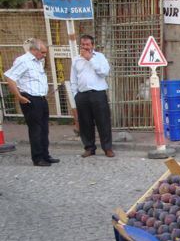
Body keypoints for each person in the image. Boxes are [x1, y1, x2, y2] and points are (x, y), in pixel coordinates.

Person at [4, 38, 59, 167]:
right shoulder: (23, 61)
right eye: (43, 52)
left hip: (41, 98)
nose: (44, 55)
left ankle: (45, 154)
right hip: (30, 98)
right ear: (34, 50)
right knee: (36, 130)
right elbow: (10, 77)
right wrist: (18, 96)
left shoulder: (38, 61)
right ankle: (38, 157)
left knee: (44, 129)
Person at [70, 34, 114, 158]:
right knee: (85, 123)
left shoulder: (99, 57)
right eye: (83, 45)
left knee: (103, 122)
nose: (85, 47)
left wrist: (90, 59)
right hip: (82, 95)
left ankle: (107, 148)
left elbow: (104, 72)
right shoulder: (76, 60)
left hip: (98, 94)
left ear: (92, 45)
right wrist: (75, 94)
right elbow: (73, 78)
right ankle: (89, 147)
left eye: (87, 45)